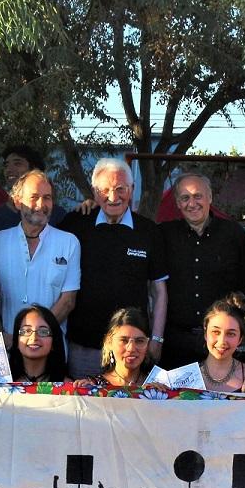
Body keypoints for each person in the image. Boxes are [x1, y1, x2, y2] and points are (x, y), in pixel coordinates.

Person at [63, 157, 168, 377]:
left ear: (132, 189)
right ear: (94, 192)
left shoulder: (150, 231)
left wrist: (156, 340)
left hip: (132, 349)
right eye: (105, 190)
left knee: (129, 409)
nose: (113, 197)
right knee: (84, 408)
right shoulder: (75, 224)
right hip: (84, 347)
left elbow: (159, 292)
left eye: (121, 189)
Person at [157, 173, 245, 368]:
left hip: (220, 344)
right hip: (175, 342)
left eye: (197, 196)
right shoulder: (164, 234)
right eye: (185, 198)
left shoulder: (234, 234)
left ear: (210, 198)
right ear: (177, 202)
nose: (192, 203)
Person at [0, 170, 81, 334]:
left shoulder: (69, 242)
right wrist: (0, 332)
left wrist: (36, 336)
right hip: (9, 349)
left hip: (50, 349)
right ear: (17, 202)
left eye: (47, 197)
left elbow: (67, 302)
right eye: (34, 197)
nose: (41, 204)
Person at [0, 144, 69, 236]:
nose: (9, 169)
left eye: (17, 163)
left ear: (35, 169)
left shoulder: (58, 216)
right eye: (6, 165)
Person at [0, 304, 68, 384]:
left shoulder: (68, 387)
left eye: (43, 332)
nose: (33, 337)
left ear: (54, 342)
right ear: (16, 340)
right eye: (26, 331)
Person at [197, 295, 245, 397]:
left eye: (231, 334)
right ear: (206, 334)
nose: (222, 341)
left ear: (240, 339)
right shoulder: (185, 376)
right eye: (215, 332)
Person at [92, 307, 157, 388]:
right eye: (124, 340)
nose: (131, 348)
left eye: (139, 341)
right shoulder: (92, 388)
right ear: (109, 342)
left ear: (148, 344)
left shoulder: (159, 387)